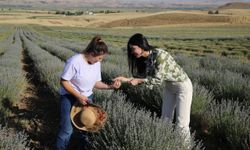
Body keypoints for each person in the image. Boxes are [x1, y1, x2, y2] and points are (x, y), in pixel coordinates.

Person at [114, 33, 193, 143]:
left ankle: (184, 147)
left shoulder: (159, 56)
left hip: (182, 87)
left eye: (133, 49)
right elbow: (143, 78)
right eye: (130, 50)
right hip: (170, 87)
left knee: (181, 124)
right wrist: (125, 79)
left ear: (141, 45)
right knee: (165, 120)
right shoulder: (146, 58)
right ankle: (166, 144)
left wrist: (138, 81)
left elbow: (157, 80)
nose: (132, 52)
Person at [56, 36, 121, 150]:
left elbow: (95, 83)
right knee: (67, 130)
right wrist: (79, 96)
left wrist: (110, 86)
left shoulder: (96, 63)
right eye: (99, 58)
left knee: (85, 128)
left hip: (87, 98)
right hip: (70, 97)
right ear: (91, 53)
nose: (100, 61)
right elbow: (63, 82)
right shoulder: (75, 61)